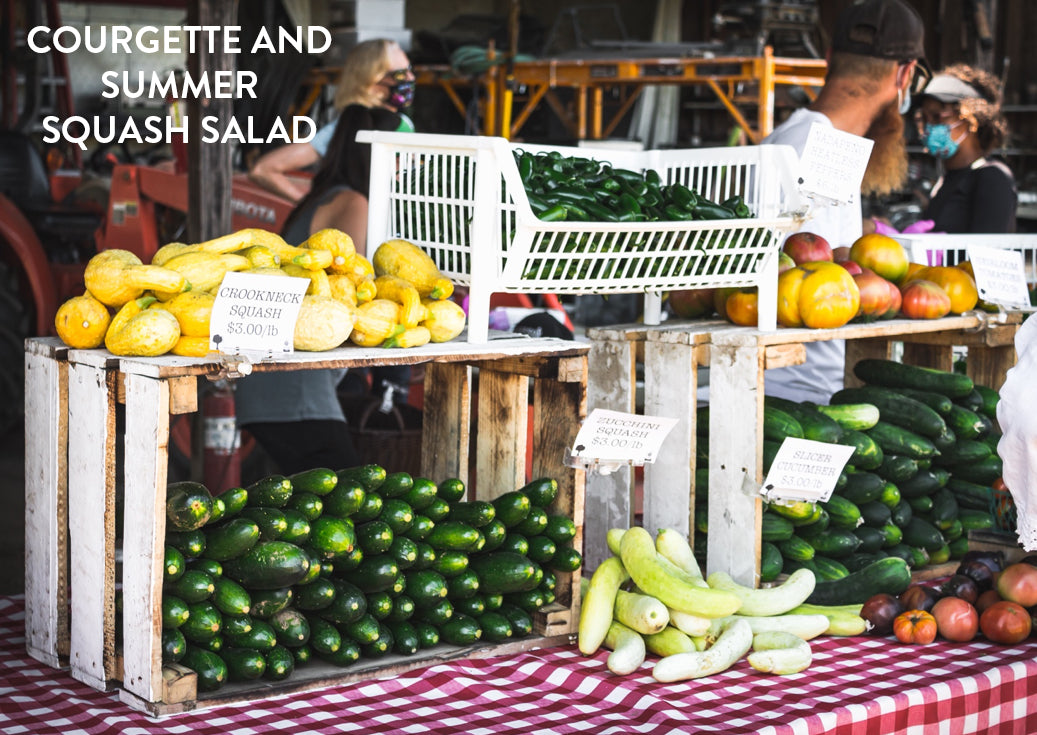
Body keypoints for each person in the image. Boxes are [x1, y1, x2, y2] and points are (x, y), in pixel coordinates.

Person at [762, 0, 930, 403]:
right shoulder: (825, 150)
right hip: (807, 393)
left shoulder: (794, 138)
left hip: (787, 385)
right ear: (905, 74)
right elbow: (815, 274)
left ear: (829, 57)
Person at [233, 104, 410, 476]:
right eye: (400, 158)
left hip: (277, 384)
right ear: (378, 156)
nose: (404, 170)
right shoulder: (353, 203)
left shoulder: (324, 197)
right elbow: (354, 287)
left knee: (312, 496)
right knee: (349, 491)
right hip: (294, 392)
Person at [248, 38, 415, 204]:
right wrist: (311, 206)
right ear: (370, 79)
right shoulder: (346, 127)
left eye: (409, 70)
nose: (411, 78)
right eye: (400, 74)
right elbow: (263, 170)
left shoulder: (403, 122)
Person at [916, 64, 1016, 234]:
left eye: (937, 117)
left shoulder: (992, 178)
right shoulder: (946, 180)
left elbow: (989, 247)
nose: (928, 127)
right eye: (925, 119)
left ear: (970, 118)